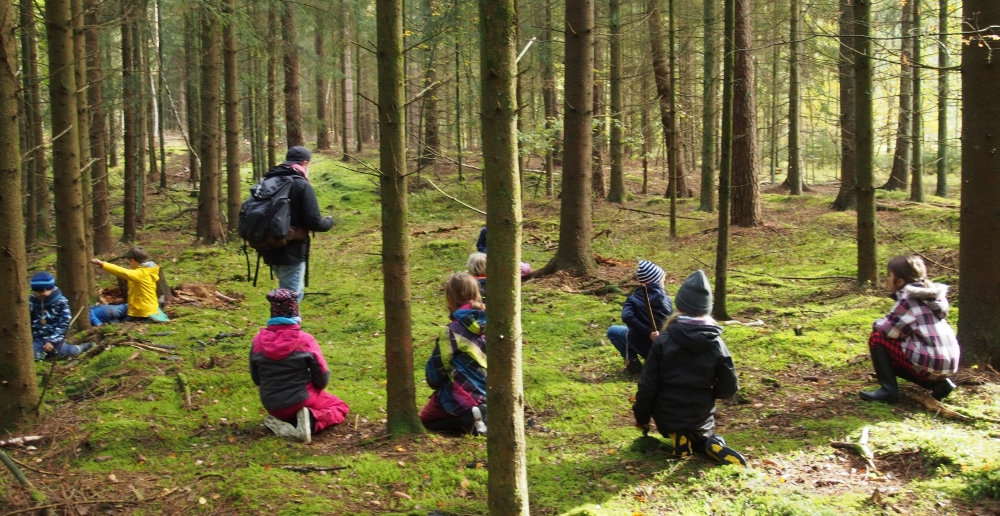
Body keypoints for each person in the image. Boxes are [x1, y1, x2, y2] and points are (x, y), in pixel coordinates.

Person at [633, 270, 746, 466]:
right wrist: (711, 392)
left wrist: (641, 417)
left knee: (677, 422)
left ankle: (681, 439)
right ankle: (710, 443)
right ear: (707, 308)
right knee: (702, 432)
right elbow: (730, 387)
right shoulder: (717, 343)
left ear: (679, 306)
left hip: (667, 414)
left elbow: (647, 385)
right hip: (701, 414)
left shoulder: (663, 341)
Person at [250, 289, 350, 443]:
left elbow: (257, 379)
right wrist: (315, 388)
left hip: (271, 404)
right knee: (340, 406)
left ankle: (285, 423)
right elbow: (322, 377)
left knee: (290, 409)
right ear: (295, 313)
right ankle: (310, 422)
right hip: (301, 399)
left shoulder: (257, 341)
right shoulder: (305, 340)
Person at [860, 255, 960, 403]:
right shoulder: (935, 298)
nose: (886, 280)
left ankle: (888, 391)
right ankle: (940, 385)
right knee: (898, 353)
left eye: (889, 276)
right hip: (949, 362)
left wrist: (877, 323)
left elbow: (888, 330)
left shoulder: (909, 299)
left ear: (900, 281)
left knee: (877, 338)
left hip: (931, 362)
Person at [257, 146, 334, 301]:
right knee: (290, 299)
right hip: (292, 251)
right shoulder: (301, 185)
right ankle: (284, 325)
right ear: (305, 163)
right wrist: (329, 222)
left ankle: (283, 324)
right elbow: (314, 221)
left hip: (268, 246)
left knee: (286, 293)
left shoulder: (269, 181)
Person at [420, 273, 488, 435]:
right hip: (492, 392)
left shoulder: (452, 331)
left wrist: (435, 383)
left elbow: (435, 371)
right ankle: (482, 414)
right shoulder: (496, 322)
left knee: (423, 421)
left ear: (450, 299)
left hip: (462, 396)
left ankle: (469, 421)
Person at [606, 260, 673, 374]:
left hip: (642, 344)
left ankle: (633, 364)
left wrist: (647, 332)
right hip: (664, 347)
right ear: (657, 280)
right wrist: (651, 332)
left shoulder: (633, 299)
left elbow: (626, 316)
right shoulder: (667, 300)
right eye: (663, 279)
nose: (664, 282)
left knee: (613, 331)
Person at [29, 272, 92, 360]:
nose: (38, 294)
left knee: (62, 353)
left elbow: (64, 323)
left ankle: (80, 348)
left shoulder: (60, 302)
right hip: (38, 338)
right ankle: (44, 356)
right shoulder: (31, 302)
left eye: (41, 291)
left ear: (50, 288)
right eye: (35, 292)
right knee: (33, 356)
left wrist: (52, 341)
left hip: (56, 338)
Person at [90, 247, 163, 322]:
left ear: (133, 260)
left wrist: (102, 264)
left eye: (129, 262)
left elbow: (122, 272)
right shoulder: (148, 271)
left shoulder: (141, 273)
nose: (130, 264)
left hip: (142, 312)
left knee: (122, 324)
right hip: (144, 309)